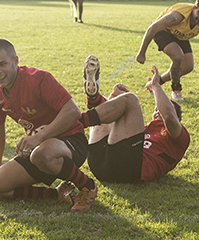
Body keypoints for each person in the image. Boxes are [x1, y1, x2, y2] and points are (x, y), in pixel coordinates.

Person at [0, 39, 98, 211]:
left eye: (2, 64)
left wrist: (38, 137)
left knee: (41, 154)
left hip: (71, 141)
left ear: (15, 61)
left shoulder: (37, 79)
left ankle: (87, 186)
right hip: (38, 149)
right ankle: (59, 193)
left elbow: (73, 111)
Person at [78, 56, 190, 184]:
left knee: (130, 100)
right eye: (156, 110)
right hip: (99, 164)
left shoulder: (180, 137)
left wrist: (156, 86)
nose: (157, 112)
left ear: (178, 118)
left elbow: (169, 116)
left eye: (160, 109)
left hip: (128, 169)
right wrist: (115, 97)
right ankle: (94, 99)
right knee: (108, 114)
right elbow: (111, 123)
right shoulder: (146, 129)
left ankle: (78, 121)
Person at [135, 0, 199, 101]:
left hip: (180, 34)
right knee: (178, 56)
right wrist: (142, 53)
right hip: (164, 31)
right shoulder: (178, 16)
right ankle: (176, 89)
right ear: (193, 8)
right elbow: (153, 28)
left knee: (188, 66)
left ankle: (155, 83)